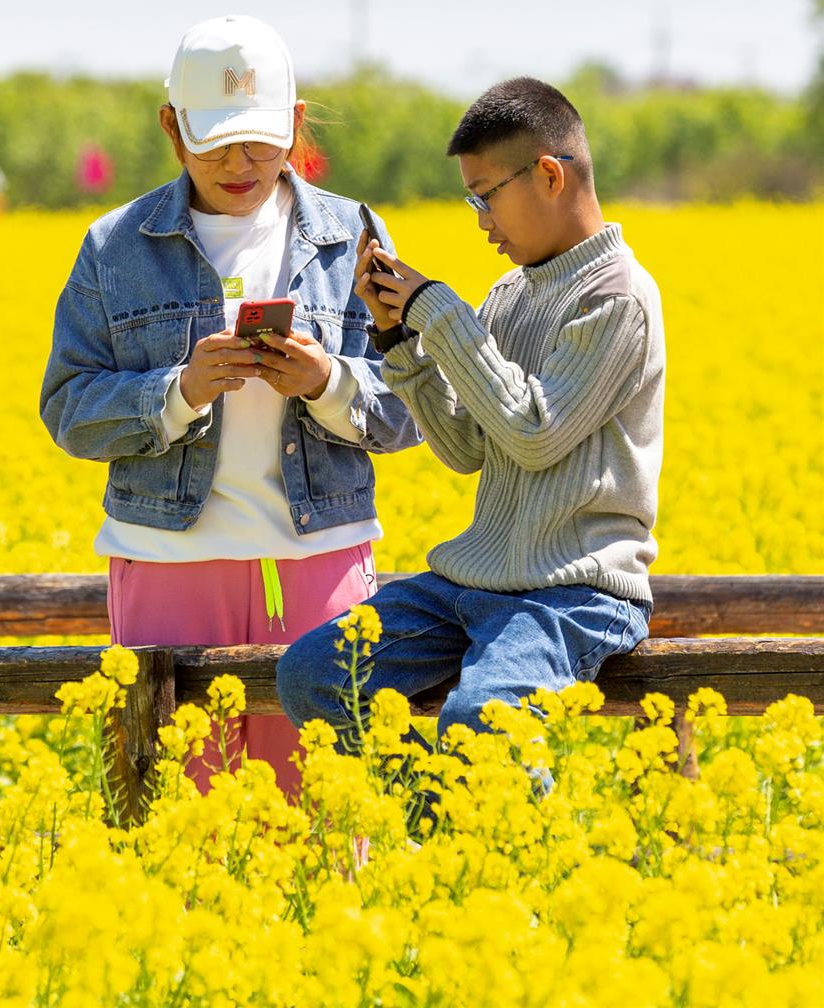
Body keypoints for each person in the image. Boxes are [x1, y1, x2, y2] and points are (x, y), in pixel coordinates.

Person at [40, 14, 420, 794]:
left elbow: (418, 404)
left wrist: (327, 384)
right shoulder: (114, 246)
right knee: (177, 814)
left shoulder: (353, 233)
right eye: (214, 141)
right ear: (171, 129)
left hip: (320, 557)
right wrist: (176, 392)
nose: (239, 163)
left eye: (259, 140)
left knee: (322, 817)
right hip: (169, 561)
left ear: (295, 123)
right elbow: (69, 408)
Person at [277, 77, 664, 756]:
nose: (480, 219)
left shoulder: (616, 297)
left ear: (547, 175)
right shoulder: (510, 293)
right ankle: (442, 838)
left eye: (484, 196)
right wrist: (399, 338)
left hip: (573, 596)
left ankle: (492, 844)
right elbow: (463, 447)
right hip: (473, 582)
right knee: (312, 676)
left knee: (481, 723)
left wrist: (439, 311)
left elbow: (534, 434)